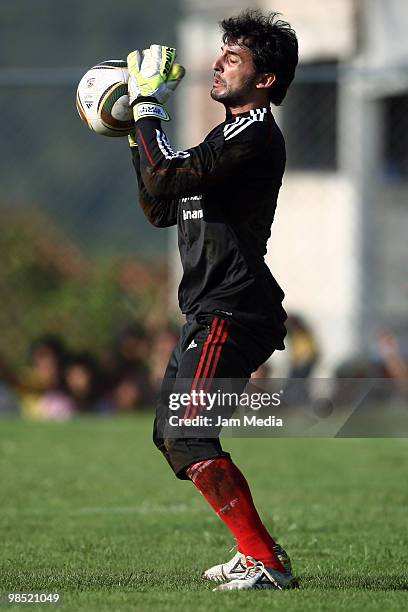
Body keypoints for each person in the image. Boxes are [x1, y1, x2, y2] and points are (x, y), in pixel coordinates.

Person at [126, 10, 299, 591]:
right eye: (220, 53)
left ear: (266, 79)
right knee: (171, 437)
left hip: (235, 307)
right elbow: (159, 203)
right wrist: (134, 128)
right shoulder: (223, 135)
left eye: (234, 57)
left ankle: (266, 563)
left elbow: (170, 178)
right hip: (208, 309)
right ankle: (257, 551)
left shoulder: (254, 130)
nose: (217, 64)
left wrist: (149, 111)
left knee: (188, 434)